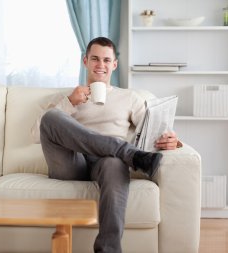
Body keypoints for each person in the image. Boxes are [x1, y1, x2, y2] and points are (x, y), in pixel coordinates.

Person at [31, 37, 180, 253]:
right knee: (51, 117)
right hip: (73, 163)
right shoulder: (69, 96)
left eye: (106, 60)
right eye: (95, 59)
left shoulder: (129, 97)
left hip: (108, 163)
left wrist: (174, 140)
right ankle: (128, 153)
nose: (101, 65)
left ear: (114, 64)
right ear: (85, 61)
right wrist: (70, 102)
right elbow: (38, 133)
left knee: (114, 163)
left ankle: (108, 250)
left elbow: (154, 130)